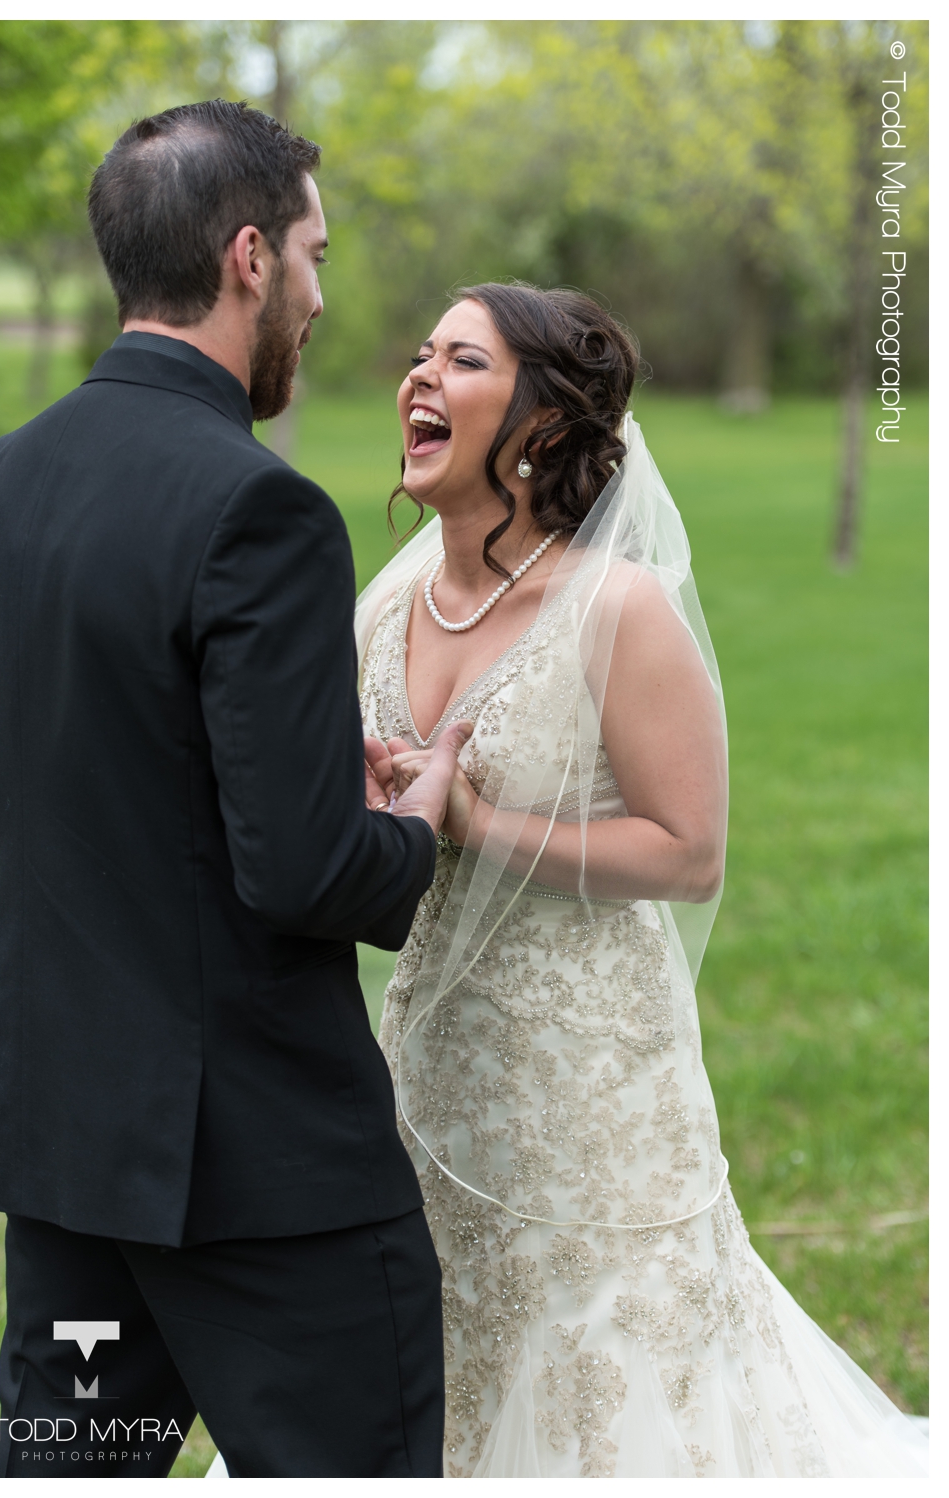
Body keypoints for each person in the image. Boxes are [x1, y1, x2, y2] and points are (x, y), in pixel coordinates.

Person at [0, 100, 470, 1479]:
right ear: (249, 257)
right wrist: (409, 822)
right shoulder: (260, 508)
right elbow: (303, 870)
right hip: (264, 1173)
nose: (320, 292)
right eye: (314, 254)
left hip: (67, 1146)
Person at [356, 282, 929, 1478]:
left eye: (461, 360)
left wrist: (476, 817)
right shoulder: (383, 606)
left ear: (548, 428)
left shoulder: (616, 609)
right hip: (429, 1066)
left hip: (592, 1084)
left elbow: (688, 850)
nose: (419, 377)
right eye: (420, 356)